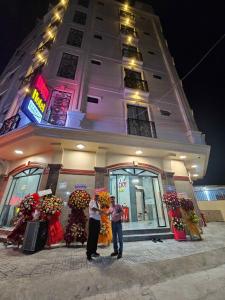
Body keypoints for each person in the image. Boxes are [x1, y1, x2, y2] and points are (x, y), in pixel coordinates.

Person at [86, 194, 103, 261]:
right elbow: (93, 208)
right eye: (96, 196)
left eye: (98, 196)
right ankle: (89, 254)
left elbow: (99, 213)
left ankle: (94, 251)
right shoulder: (92, 201)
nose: (97, 197)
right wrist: (100, 210)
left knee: (96, 237)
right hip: (92, 221)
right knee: (91, 237)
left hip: (97, 221)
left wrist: (102, 213)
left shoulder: (98, 204)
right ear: (94, 196)